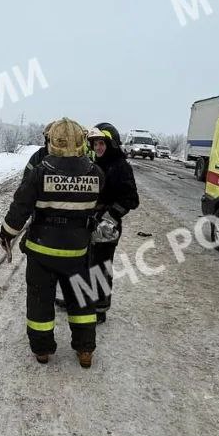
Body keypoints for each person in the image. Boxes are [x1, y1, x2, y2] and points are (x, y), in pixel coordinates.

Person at [0, 118, 105, 368]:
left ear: (52, 141)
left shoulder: (40, 171)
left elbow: (20, 209)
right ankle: (85, 351)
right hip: (78, 252)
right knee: (81, 300)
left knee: (39, 301)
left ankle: (42, 350)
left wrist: (6, 234)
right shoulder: (96, 173)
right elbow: (97, 207)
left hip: (41, 252)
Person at [86, 122, 140, 324]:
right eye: (95, 144)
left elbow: (132, 199)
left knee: (100, 267)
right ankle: (84, 301)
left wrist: (110, 216)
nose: (98, 148)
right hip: (90, 222)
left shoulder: (120, 166)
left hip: (107, 227)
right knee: (87, 263)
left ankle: (99, 309)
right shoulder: (94, 165)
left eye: (102, 143)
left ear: (111, 144)